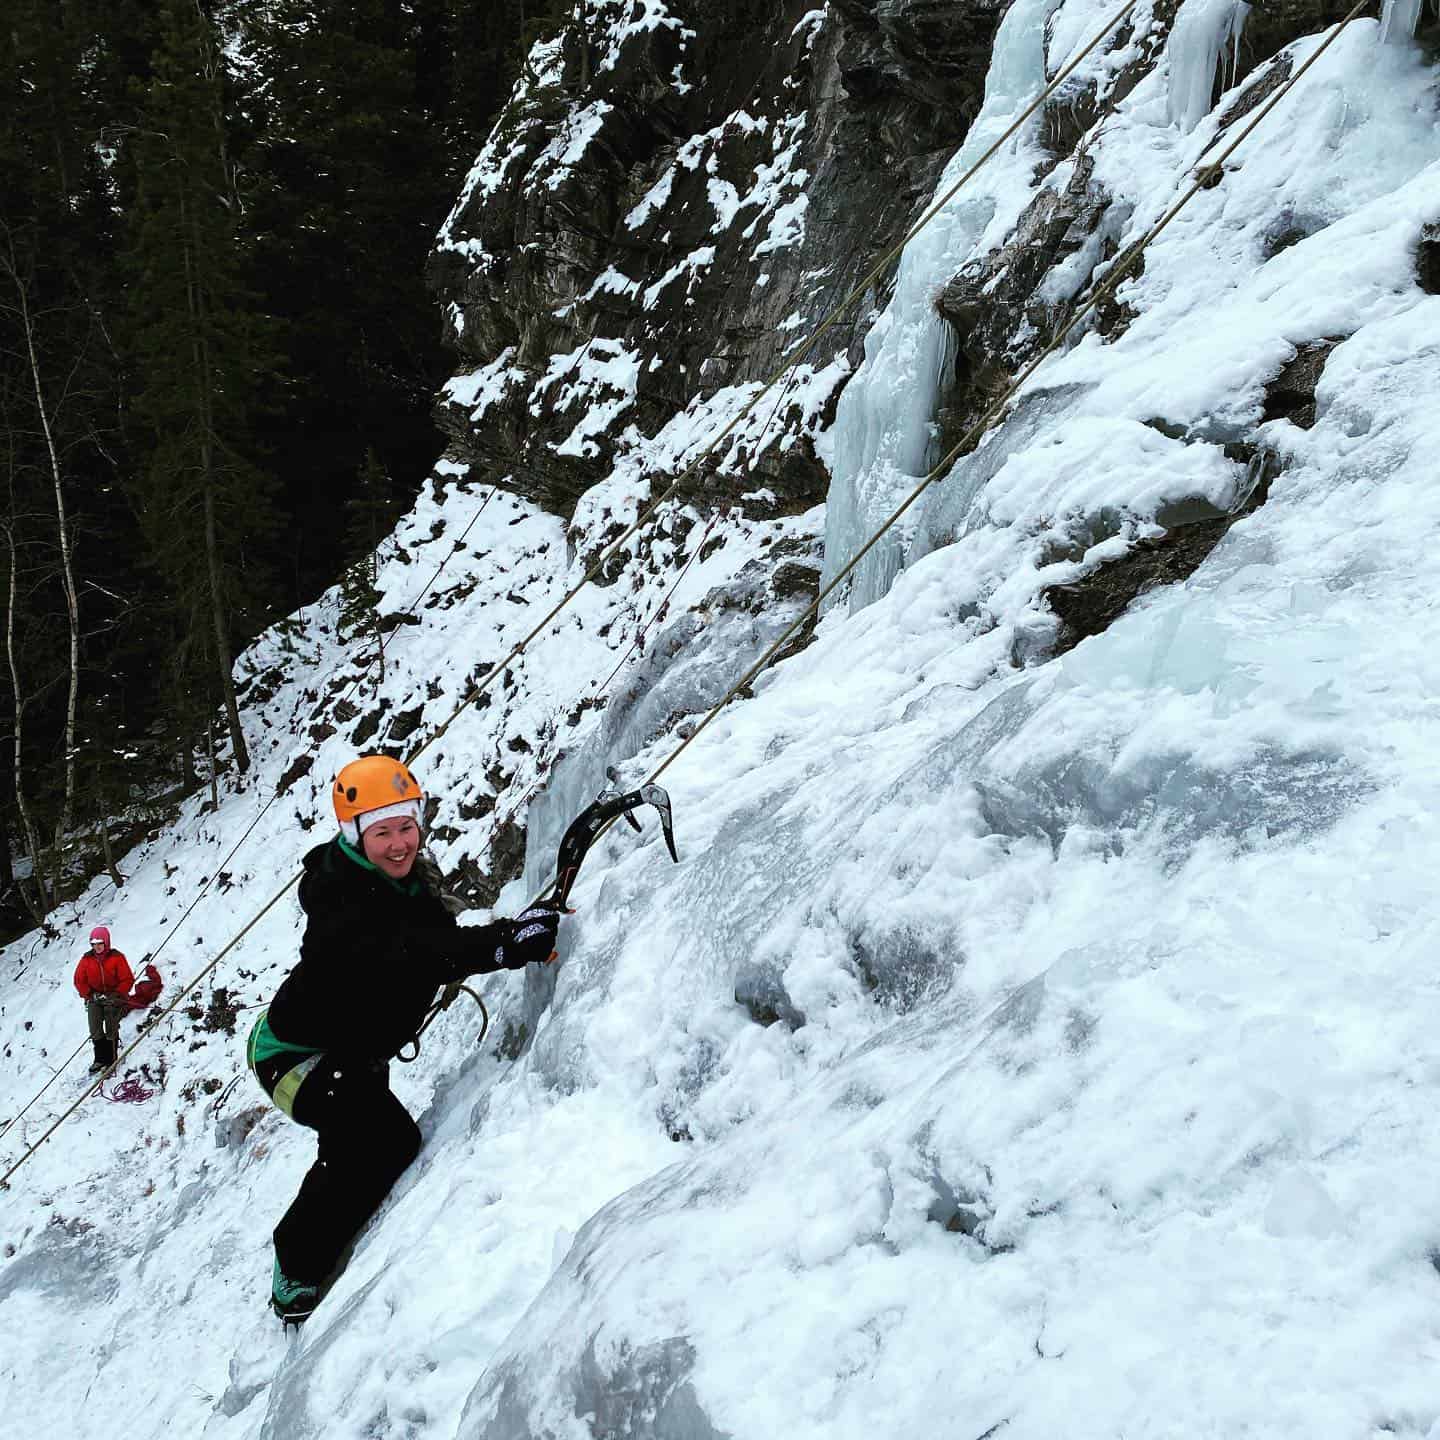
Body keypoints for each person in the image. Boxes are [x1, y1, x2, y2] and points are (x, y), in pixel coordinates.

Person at [246, 753, 561, 1324]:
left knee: (365, 1138)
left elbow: (432, 935)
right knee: (379, 1144)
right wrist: (505, 944)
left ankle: (333, 1227)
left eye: (406, 827)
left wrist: (501, 937)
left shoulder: (400, 879)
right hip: (294, 1057)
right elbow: (417, 952)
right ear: (354, 836)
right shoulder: (342, 906)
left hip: (350, 1046)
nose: (399, 844)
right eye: (382, 832)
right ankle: (294, 1263)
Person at [73, 925, 134, 1073]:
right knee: (94, 1025)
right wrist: (90, 994)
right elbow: (79, 980)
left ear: (106, 942)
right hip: (95, 996)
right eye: (94, 944)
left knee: (110, 1019)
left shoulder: (117, 957)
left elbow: (127, 979)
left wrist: (117, 994)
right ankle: (100, 1058)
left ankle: (111, 1059)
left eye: (100, 943)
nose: (97, 947)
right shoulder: (87, 960)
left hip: (114, 995)